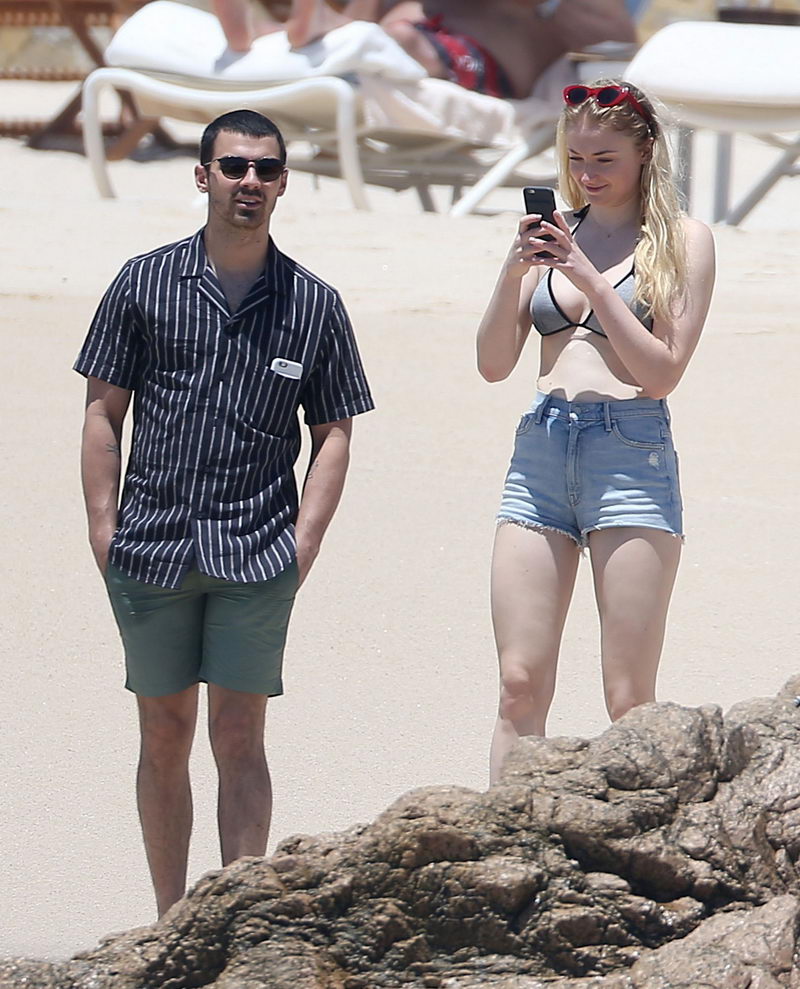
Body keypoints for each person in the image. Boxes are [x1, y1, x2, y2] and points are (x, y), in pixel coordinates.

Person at [75, 109, 374, 917]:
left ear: (284, 182)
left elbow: (335, 431)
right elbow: (103, 413)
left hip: (257, 551)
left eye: (266, 169)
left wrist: (303, 544)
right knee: (164, 731)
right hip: (151, 546)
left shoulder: (313, 303)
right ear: (203, 174)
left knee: (240, 735)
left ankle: (237, 926)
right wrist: (103, 529)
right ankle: (170, 922)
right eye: (235, 166)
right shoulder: (143, 282)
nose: (250, 181)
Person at [477, 81, 715, 783]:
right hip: (542, 447)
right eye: (576, 158)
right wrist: (514, 269)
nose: (587, 174)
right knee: (518, 682)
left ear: (645, 152)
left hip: (629, 450)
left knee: (628, 697)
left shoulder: (682, 241)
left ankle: (643, 836)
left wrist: (589, 279)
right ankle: (505, 831)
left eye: (604, 158)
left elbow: (661, 373)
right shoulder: (558, 232)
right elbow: (493, 363)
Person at [213, 0, 636, 100]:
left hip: (484, 60)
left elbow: (617, 40)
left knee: (396, 40)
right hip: (419, 35)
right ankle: (308, 25)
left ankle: (309, 25)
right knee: (374, 36)